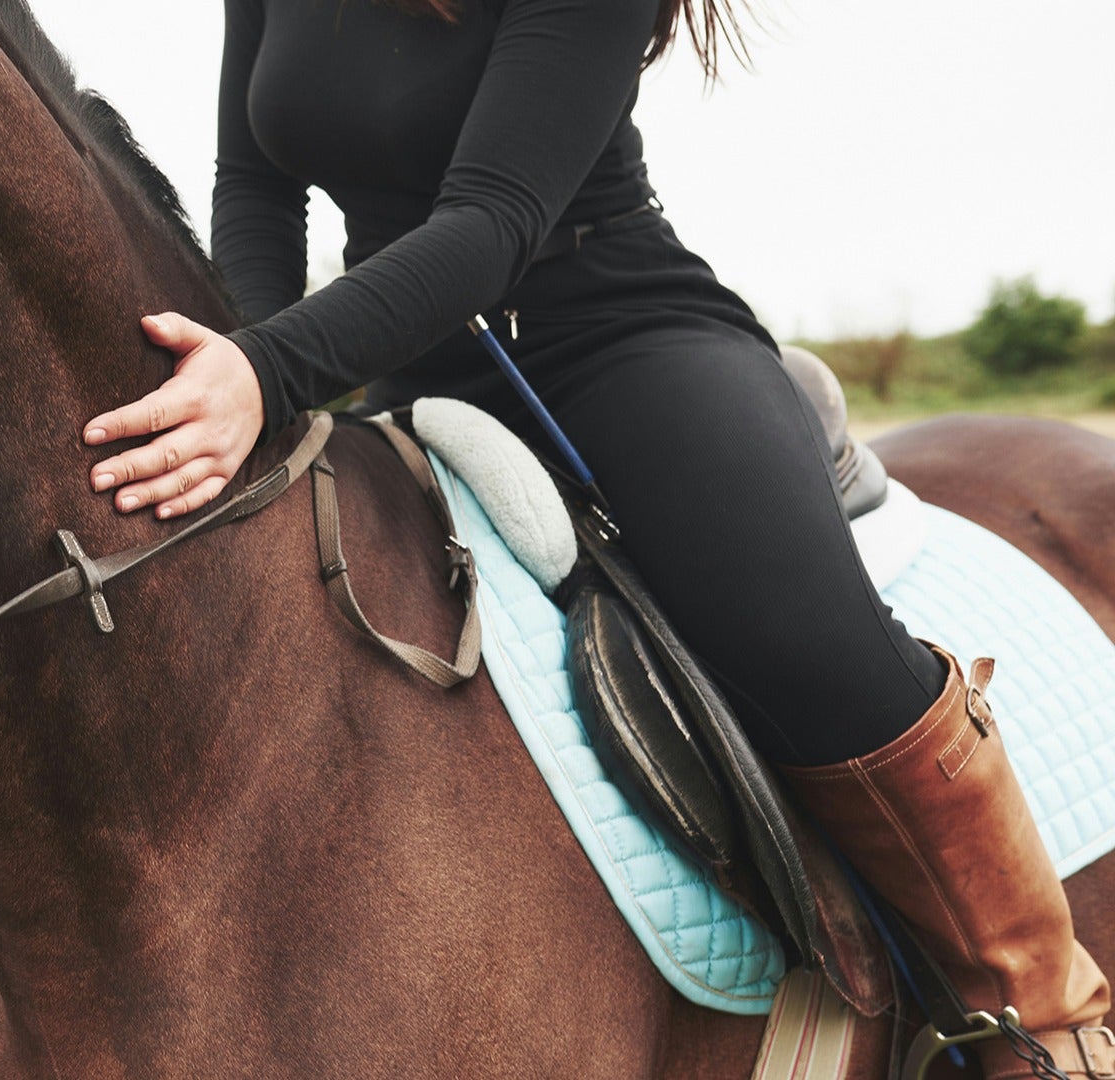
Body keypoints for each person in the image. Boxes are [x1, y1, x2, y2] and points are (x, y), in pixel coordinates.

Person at [77, 0, 1112, 1073]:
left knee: (817, 655)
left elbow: (492, 222)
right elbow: (254, 182)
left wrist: (269, 371)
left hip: (620, 341)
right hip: (406, 358)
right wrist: (233, 359)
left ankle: (1042, 1014)